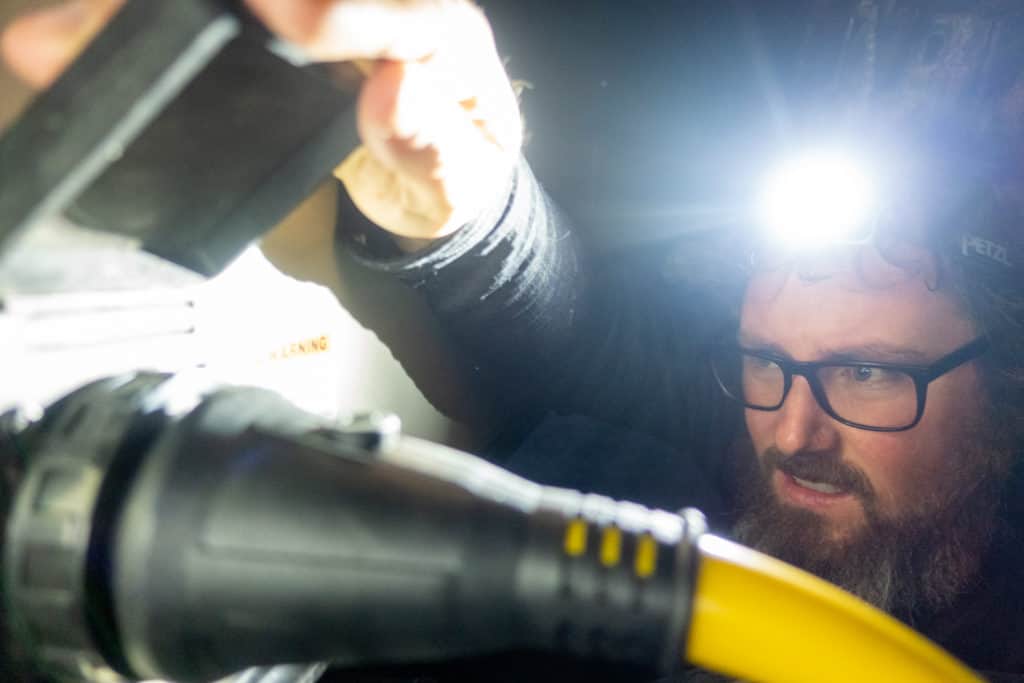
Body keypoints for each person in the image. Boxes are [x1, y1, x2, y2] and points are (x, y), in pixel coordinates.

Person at [4, 1, 1024, 681]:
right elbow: (583, 340)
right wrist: (470, 202)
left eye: (864, 372)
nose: (790, 428)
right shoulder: (688, 456)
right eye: (765, 359)